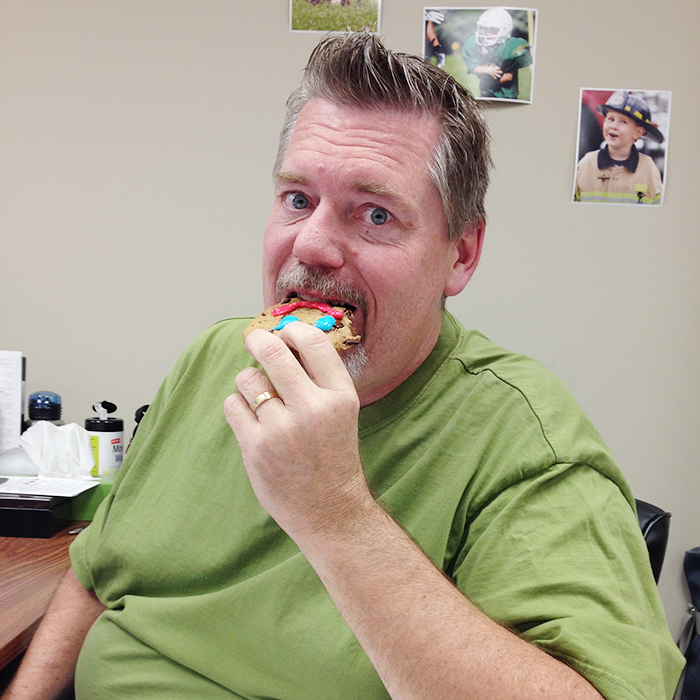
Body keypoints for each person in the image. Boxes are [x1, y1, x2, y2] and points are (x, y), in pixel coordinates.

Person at [3, 32, 683, 700]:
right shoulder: (212, 356)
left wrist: (333, 513)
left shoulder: (529, 439)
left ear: (461, 254)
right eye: (297, 199)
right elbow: (93, 575)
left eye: (376, 214)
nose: (313, 244)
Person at [575, 90, 665, 204]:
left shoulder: (648, 168)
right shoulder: (586, 163)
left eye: (623, 122)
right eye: (611, 119)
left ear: (638, 133)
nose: (613, 126)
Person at [462, 7, 533, 100]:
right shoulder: (475, 43)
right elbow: (473, 66)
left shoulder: (509, 46)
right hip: (486, 93)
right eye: (485, 29)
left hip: (506, 94)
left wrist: (487, 81)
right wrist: (486, 70)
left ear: (504, 30)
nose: (488, 33)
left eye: (493, 30)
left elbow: (508, 76)